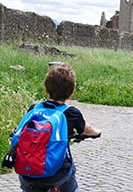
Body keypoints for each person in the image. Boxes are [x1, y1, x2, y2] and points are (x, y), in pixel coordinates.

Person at [19, 63, 101, 192]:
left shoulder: (33, 109)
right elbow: (87, 129)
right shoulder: (71, 113)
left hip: (28, 172)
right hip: (57, 175)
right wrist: (97, 133)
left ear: (46, 88)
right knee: (70, 172)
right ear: (71, 93)